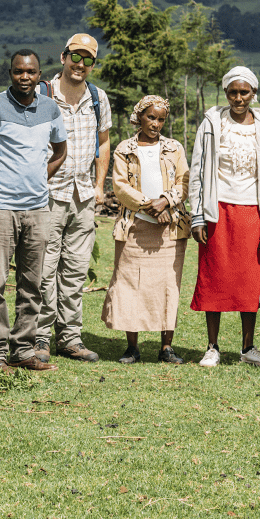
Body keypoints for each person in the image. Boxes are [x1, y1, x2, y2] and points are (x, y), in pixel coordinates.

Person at [0, 50, 67, 373]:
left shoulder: (50, 108)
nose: (24, 77)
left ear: (40, 75)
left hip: (38, 209)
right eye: (18, 72)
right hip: (0, 207)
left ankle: (23, 348)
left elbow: (60, 150)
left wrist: (42, 177)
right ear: (10, 73)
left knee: (32, 282)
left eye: (30, 72)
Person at [188, 66, 260, 367]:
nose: (239, 98)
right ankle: (212, 347)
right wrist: (197, 216)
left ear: (254, 93)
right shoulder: (212, 123)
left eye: (245, 92)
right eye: (233, 92)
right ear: (226, 93)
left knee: (248, 280)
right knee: (214, 276)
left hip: (252, 210)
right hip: (218, 208)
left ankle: (248, 347)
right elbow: (198, 171)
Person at [36, 34, 112, 363]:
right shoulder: (43, 94)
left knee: (76, 270)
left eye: (88, 60)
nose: (80, 65)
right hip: (48, 194)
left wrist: (99, 185)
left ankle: (70, 336)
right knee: (43, 268)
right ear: (64, 56)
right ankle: (39, 337)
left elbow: (104, 141)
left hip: (83, 195)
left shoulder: (98, 97)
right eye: (75, 57)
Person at [102, 96, 190, 364]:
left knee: (168, 286)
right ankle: (132, 347)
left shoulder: (174, 148)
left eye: (161, 119)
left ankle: (166, 347)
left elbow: (184, 182)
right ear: (139, 117)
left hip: (170, 228)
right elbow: (120, 187)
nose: (156, 123)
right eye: (151, 117)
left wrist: (165, 202)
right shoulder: (124, 149)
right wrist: (149, 206)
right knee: (130, 284)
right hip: (134, 227)